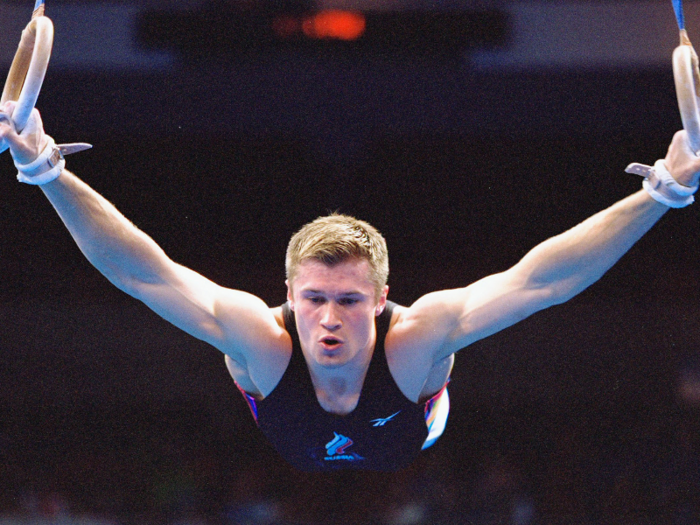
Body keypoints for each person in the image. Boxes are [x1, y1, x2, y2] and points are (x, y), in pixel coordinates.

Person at [2, 100, 700, 472]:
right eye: (313, 298)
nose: (328, 317)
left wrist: (660, 197)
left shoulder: (416, 339)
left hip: (414, 428)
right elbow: (140, 270)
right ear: (287, 293)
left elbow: (544, 280)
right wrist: (48, 176)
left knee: (444, 336)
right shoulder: (263, 337)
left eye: (348, 299)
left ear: (382, 296)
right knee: (235, 334)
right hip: (301, 422)